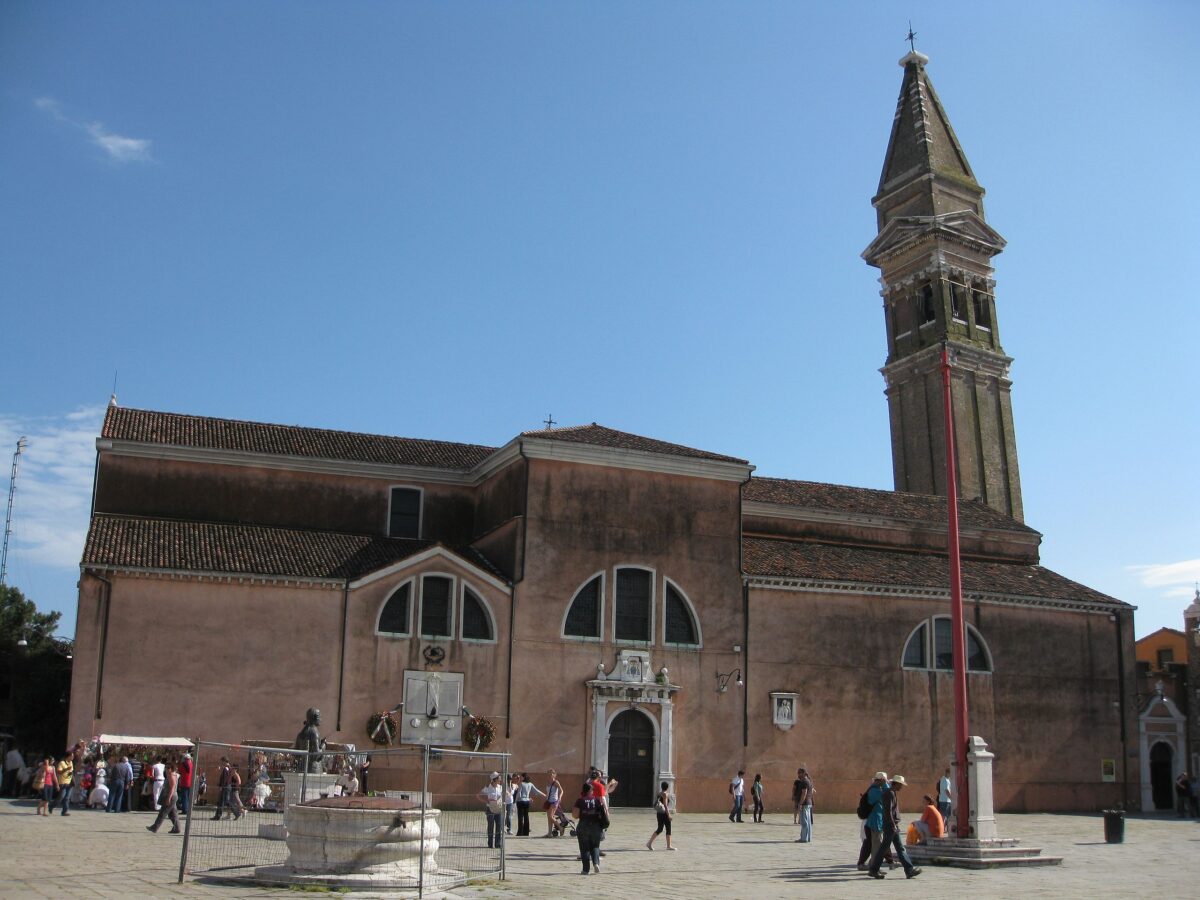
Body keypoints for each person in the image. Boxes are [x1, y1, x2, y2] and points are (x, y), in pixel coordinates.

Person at [866, 774, 920, 880]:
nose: (901, 787)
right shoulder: (889, 793)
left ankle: (909, 870)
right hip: (890, 825)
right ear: (896, 784)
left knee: (898, 848)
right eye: (901, 785)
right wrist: (892, 825)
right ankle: (874, 869)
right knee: (885, 848)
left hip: (892, 825)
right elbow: (888, 811)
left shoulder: (892, 792)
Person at [572, 780, 606, 874]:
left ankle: (585, 870)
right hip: (596, 826)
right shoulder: (597, 800)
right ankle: (596, 864)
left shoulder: (580, 800)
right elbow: (603, 812)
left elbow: (575, 815)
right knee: (595, 846)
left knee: (584, 848)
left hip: (583, 826)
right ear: (591, 791)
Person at [146, 761, 181, 834]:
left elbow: (172, 787)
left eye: (168, 768)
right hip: (172, 796)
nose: (166, 769)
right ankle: (177, 828)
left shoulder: (171, 775)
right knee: (173, 813)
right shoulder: (172, 775)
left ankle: (155, 827)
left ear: (172, 768)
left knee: (163, 812)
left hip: (171, 796)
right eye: (166, 767)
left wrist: (168, 798)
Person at [646, 781, 676, 850]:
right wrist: (668, 815)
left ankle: (649, 843)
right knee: (668, 829)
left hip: (659, 813)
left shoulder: (659, 793)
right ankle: (669, 846)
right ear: (667, 787)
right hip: (664, 813)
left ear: (661, 787)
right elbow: (665, 805)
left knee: (660, 829)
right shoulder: (665, 794)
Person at [478, 772, 505, 849]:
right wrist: (486, 802)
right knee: (490, 826)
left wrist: (502, 799)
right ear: (494, 779)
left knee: (499, 826)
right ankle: (490, 843)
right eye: (499, 777)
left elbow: (507, 794)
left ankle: (497, 843)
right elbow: (478, 795)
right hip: (490, 809)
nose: (500, 779)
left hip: (498, 809)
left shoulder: (500, 787)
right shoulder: (488, 787)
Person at [794, 765, 813, 842]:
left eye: (800, 773)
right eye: (798, 773)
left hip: (804, 804)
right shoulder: (807, 781)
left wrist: (800, 804)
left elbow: (804, 793)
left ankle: (804, 838)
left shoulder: (804, 782)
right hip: (807, 803)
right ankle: (808, 838)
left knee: (804, 822)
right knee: (807, 822)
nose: (798, 774)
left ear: (804, 773)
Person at [542, 768, 563, 836]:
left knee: (551, 816)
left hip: (554, 801)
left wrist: (559, 798)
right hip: (549, 801)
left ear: (555, 775)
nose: (550, 774)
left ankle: (560, 827)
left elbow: (562, 791)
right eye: (549, 773)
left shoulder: (556, 782)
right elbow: (548, 792)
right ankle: (549, 833)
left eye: (552, 773)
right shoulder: (548, 782)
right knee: (549, 817)